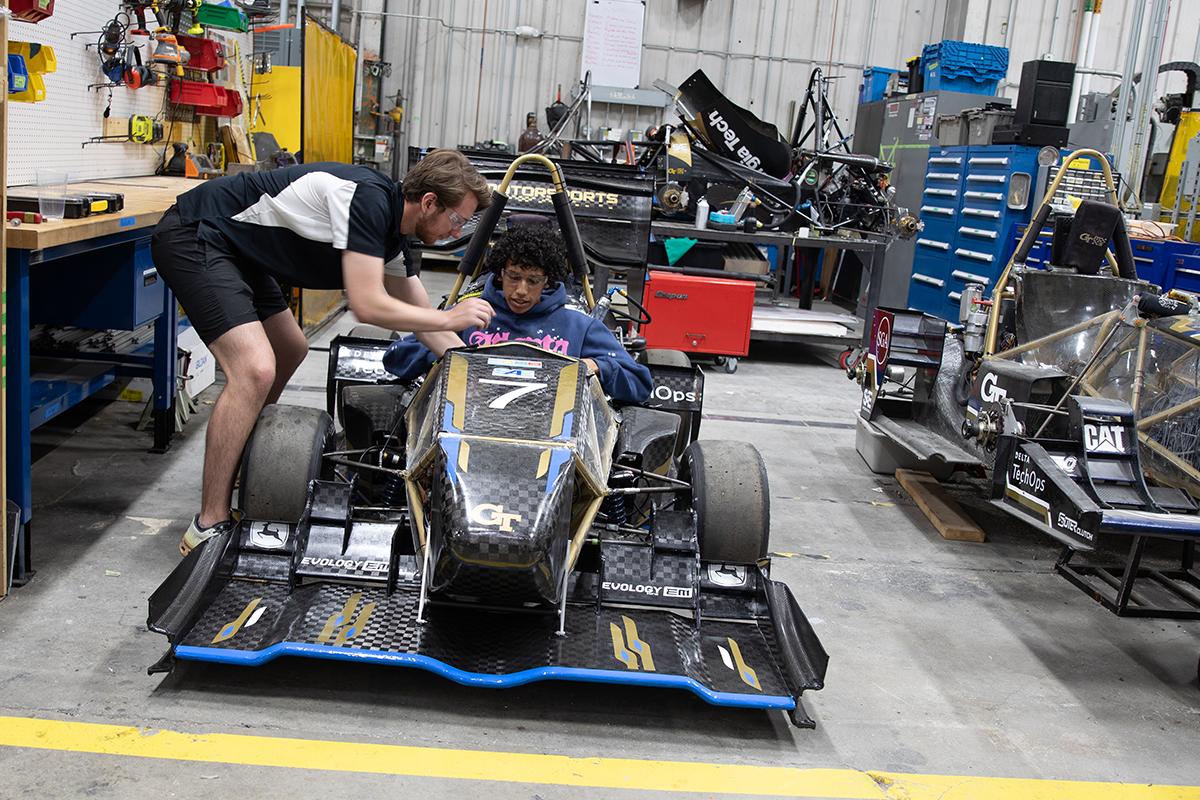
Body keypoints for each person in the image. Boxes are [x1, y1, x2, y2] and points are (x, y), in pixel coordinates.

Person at [152, 149, 496, 556]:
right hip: (197, 233)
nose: (456, 232)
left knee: (290, 348)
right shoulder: (368, 199)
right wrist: (452, 317)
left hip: (239, 254)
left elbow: (422, 321)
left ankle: (244, 458)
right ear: (428, 202)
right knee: (255, 369)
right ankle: (208, 523)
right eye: (456, 219)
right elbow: (367, 305)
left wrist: (481, 378)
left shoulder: (395, 239)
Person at [382, 223, 653, 404]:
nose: (521, 290)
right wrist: (440, 347)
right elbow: (395, 359)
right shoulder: (469, 315)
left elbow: (640, 384)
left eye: (533, 281)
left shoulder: (578, 327)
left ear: (548, 281)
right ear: (500, 273)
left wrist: (598, 367)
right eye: (514, 277)